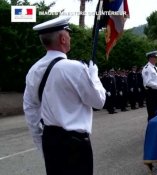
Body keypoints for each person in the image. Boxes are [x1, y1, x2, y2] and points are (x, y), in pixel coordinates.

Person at [23, 16, 106, 175]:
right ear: (62, 38)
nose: (70, 37)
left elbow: (31, 109)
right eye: (68, 33)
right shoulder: (74, 68)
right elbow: (99, 101)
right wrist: (94, 75)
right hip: (75, 145)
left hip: (50, 141)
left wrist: (41, 143)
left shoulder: (33, 70)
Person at [142, 50, 157, 121]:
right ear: (150, 58)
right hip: (151, 93)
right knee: (152, 113)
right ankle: (151, 129)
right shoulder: (147, 68)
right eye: (155, 57)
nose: (156, 59)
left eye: (156, 57)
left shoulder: (156, 68)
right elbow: (148, 83)